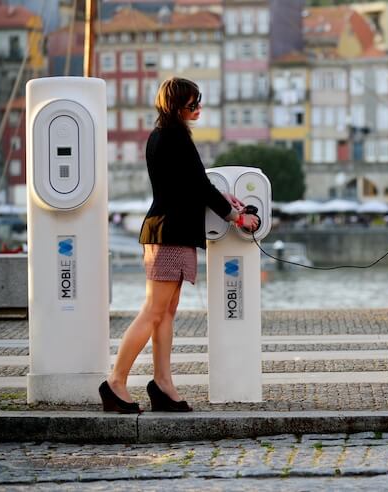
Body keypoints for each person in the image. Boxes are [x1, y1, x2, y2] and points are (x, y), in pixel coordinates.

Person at [99, 78, 259, 413]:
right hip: (168, 233)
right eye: (193, 103)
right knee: (154, 311)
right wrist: (235, 216)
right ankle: (115, 382)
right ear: (176, 106)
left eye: (199, 101)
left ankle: (162, 384)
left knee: (166, 312)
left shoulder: (167, 135)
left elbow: (189, 184)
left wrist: (224, 199)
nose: (198, 108)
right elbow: (198, 185)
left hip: (174, 232)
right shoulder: (172, 137)